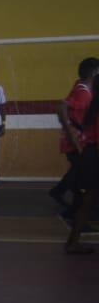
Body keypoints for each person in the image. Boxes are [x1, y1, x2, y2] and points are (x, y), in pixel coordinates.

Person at [51, 57, 99, 210]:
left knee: (77, 170)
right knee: (81, 172)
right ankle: (74, 207)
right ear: (94, 72)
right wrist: (70, 131)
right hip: (76, 140)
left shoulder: (82, 86)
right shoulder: (83, 92)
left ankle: (60, 192)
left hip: (77, 139)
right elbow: (62, 106)